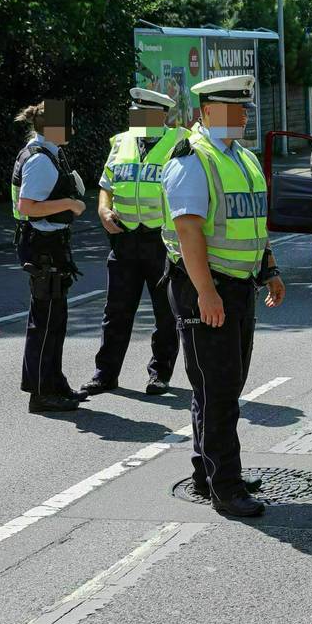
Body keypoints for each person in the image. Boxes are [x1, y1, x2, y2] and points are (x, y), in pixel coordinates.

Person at [160, 75, 286, 518]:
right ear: (206, 112)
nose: (241, 117)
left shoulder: (243, 158)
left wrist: (268, 268)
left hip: (237, 287)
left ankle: (208, 471)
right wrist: (206, 292)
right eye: (231, 110)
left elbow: (254, 221)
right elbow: (187, 230)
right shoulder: (194, 158)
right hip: (206, 287)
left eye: (244, 110)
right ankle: (225, 487)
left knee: (223, 385)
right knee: (218, 390)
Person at [82, 88, 185, 397]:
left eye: (145, 114)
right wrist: (102, 209)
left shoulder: (179, 144)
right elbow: (106, 184)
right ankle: (105, 374)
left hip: (160, 239)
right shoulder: (121, 141)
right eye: (135, 112)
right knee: (116, 310)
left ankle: (159, 374)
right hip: (124, 237)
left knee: (165, 313)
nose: (137, 118)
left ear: (161, 116)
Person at [11, 100, 87, 413]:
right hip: (43, 246)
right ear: (52, 127)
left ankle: (54, 382)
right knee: (45, 322)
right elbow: (26, 206)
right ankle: (42, 393)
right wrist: (69, 203)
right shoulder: (40, 160)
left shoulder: (47, 152)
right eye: (67, 123)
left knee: (54, 320)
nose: (73, 129)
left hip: (48, 244)